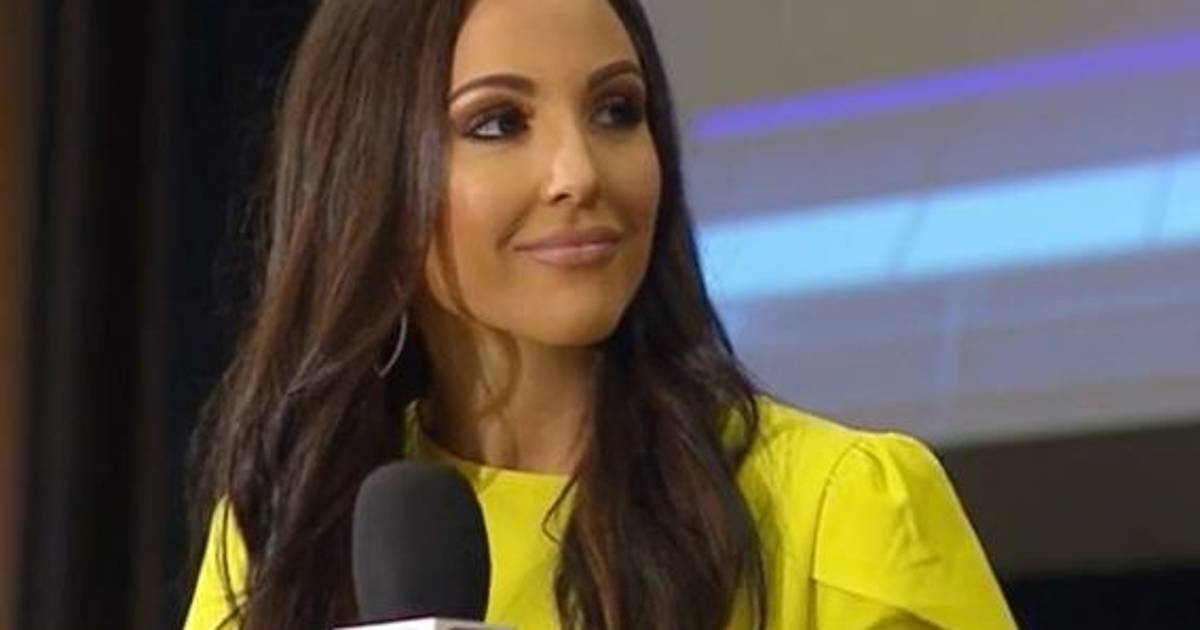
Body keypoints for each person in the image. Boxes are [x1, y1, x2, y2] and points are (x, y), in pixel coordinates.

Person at [183, 0, 1017, 628]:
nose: (578, 173)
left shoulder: (844, 509)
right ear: (372, 177)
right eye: (499, 123)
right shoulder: (287, 535)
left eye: (616, 110)